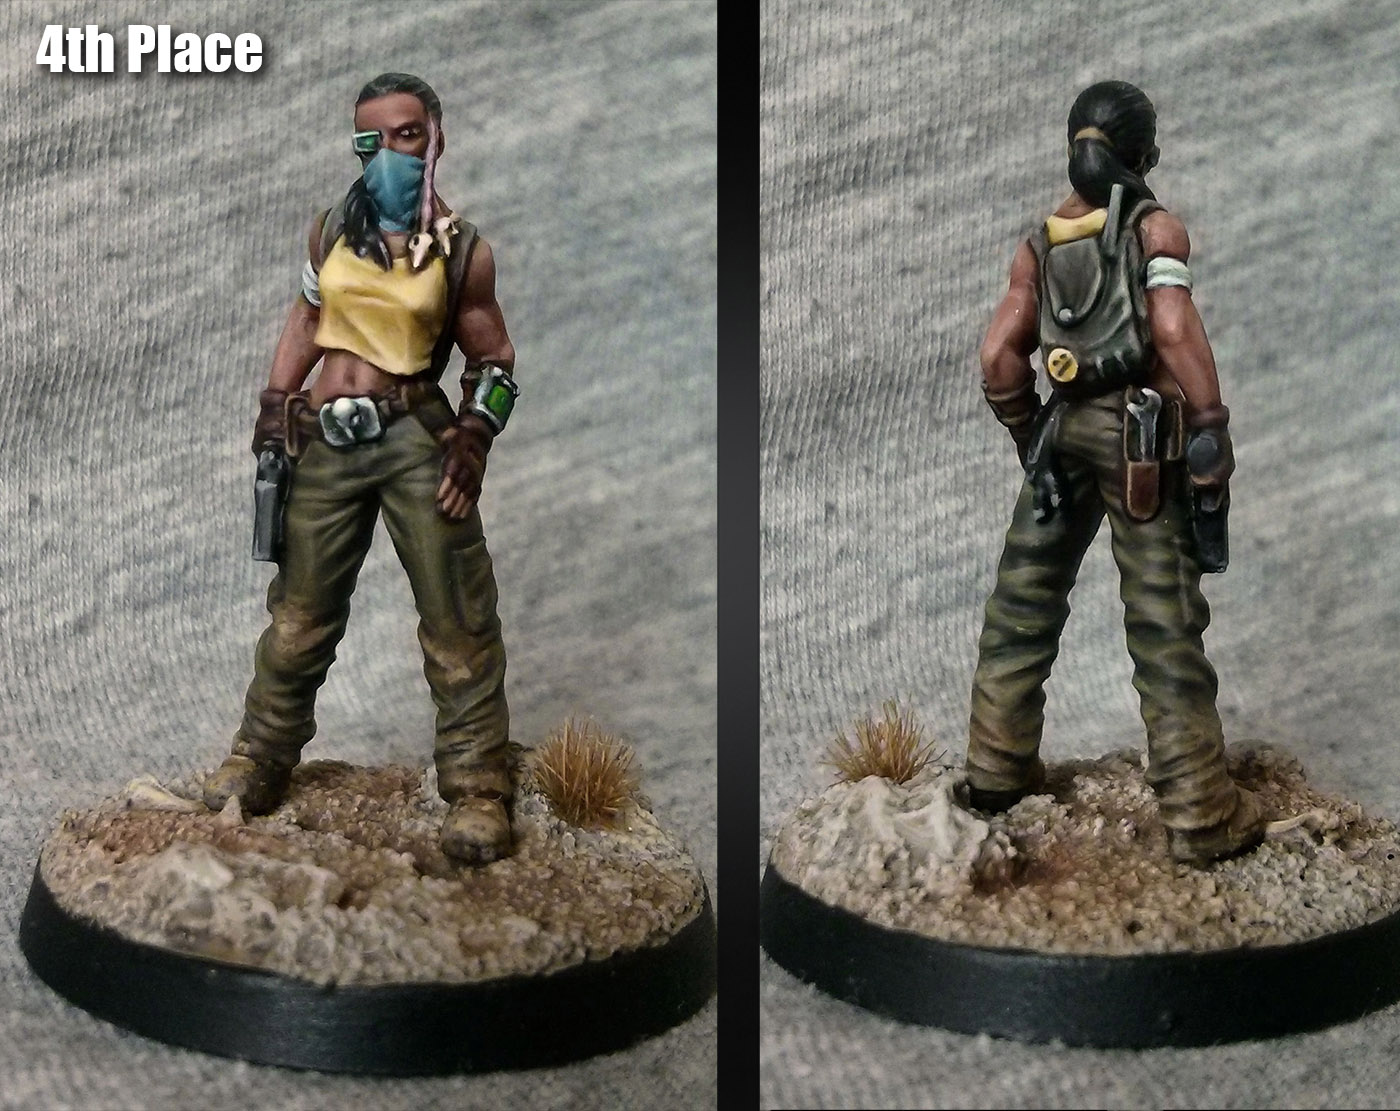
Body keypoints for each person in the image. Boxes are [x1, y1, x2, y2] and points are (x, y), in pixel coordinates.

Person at [203, 72, 520, 865]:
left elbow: (495, 362)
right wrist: (276, 403)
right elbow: (308, 316)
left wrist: (474, 436)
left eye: (406, 134)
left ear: (436, 136)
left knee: (456, 612)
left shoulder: (462, 251)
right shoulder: (330, 234)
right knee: (298, 614)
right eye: (370, 139)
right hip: (327, 439)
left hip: (414, 435)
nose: (389, 153)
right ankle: (259, 754)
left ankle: (479, 786)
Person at [965, 80, 1266, 865]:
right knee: (1163, 621)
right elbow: (1170, 326)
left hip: (1060, 434)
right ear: (1144, 153)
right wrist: (1209, 421)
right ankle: (1200, 809)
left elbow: (999, 357)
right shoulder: (1154, 230)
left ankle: (995, 767)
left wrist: (1031, 434)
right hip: (1140, 441)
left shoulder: (1038, 244)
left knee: (1021, 602)